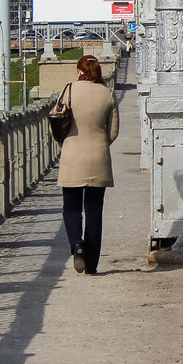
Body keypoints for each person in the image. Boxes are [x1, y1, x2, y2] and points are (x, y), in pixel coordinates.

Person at [58, 55, 119, 274]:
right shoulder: (107, 94)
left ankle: (77, 244)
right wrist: (100, 144)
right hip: (99, 158)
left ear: (79, 71)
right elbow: (113, 132)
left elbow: (58, 121)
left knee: (71, 207)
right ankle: (92, 264)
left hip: (72, 156)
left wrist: (64, 143)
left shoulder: (69, 91)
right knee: (94, 210)